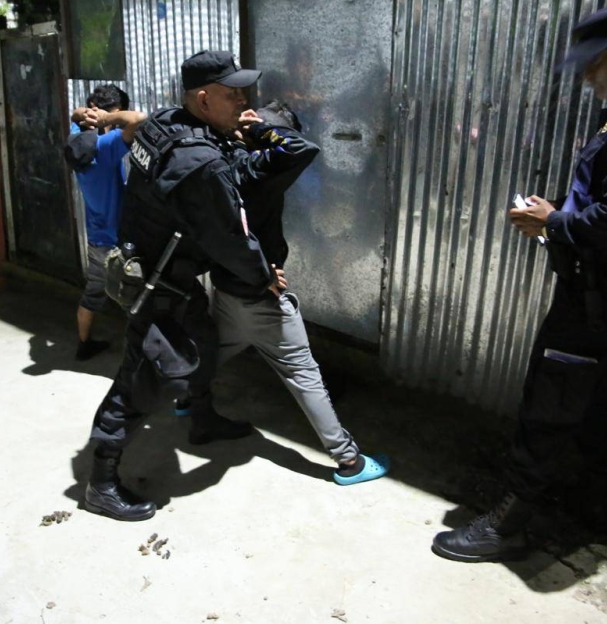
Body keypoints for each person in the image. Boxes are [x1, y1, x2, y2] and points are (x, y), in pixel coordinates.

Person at [432, 1, 607, 562]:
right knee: (600, 398)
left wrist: (553, 222)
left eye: (592, 62)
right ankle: (592, 500)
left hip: (599, 294)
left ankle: (512, 521)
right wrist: (559, 222)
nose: (585, 76)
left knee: (552, 399)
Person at [83, 50, 292, 521]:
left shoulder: (164, 122)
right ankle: (101, 480)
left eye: (244, 91)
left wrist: (105, 116)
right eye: (233, 94)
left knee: (205, 338)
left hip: (157, 266)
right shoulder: (199, 162)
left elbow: (131, 121)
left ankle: (202, 418)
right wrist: (264, 277)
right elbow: (230, 238)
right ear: (203, 98)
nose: (244, 101)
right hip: (159, 284)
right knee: (139, 381)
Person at [192, 100, 390, 485]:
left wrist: (242, 132)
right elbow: (300, 148)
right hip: (260, 295)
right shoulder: (261, 169)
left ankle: (189, 400)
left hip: (228, 286)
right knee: (305, 375)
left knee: (214, 351)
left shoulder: (222, 161)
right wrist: (261, 131)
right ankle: (349, 461)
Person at [66, 85, 145, 361]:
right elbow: (138, 119)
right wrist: (108, 119)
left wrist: (88, 115)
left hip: (95, 238)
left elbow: (75, 116)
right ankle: (140, 359)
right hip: (116, 243)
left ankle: (83, 344)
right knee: (134, 301)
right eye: (114, 115)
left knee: (94, 293)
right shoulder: (104, 149)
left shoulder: (78, 140)